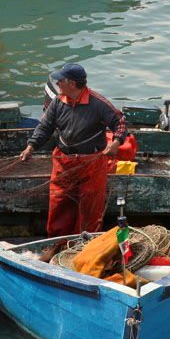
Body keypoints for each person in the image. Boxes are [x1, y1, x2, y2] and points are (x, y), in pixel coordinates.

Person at [19, 63, 127, 237]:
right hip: (63, 161)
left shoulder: (99, 103)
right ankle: (56, 242)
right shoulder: (57, 102)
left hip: (91, 162)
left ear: (72, 83)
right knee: (58, 201)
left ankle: (85, 243)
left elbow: (120, 123)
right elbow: (45, 127)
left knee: (90, 206)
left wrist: (115, 143)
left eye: (60, 81)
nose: (58, 84)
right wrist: (31, 146)